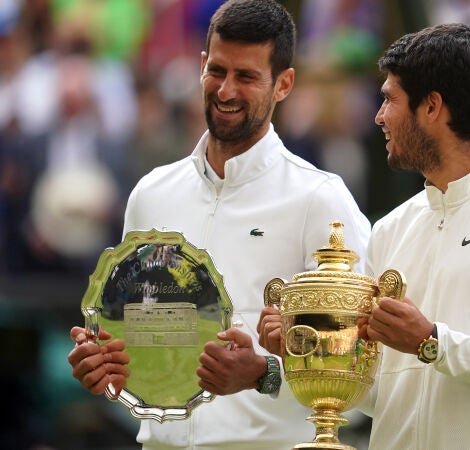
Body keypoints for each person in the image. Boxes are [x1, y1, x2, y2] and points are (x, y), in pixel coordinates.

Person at [258, 23, 470, 449]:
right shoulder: (390, 230)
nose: (379, 116)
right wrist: (302, 350)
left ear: (432, 107)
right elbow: (387, 396)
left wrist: (433, 343)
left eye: (389, 99)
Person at [66, 1, 371, 449]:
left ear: (283, 84)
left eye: (246, 77)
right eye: (218, 71)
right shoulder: (151, 193)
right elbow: (137, 349)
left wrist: (262, 375)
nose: (226, 90)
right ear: (202, 65)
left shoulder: (320, 200)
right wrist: (104, 368)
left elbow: (363, 370)